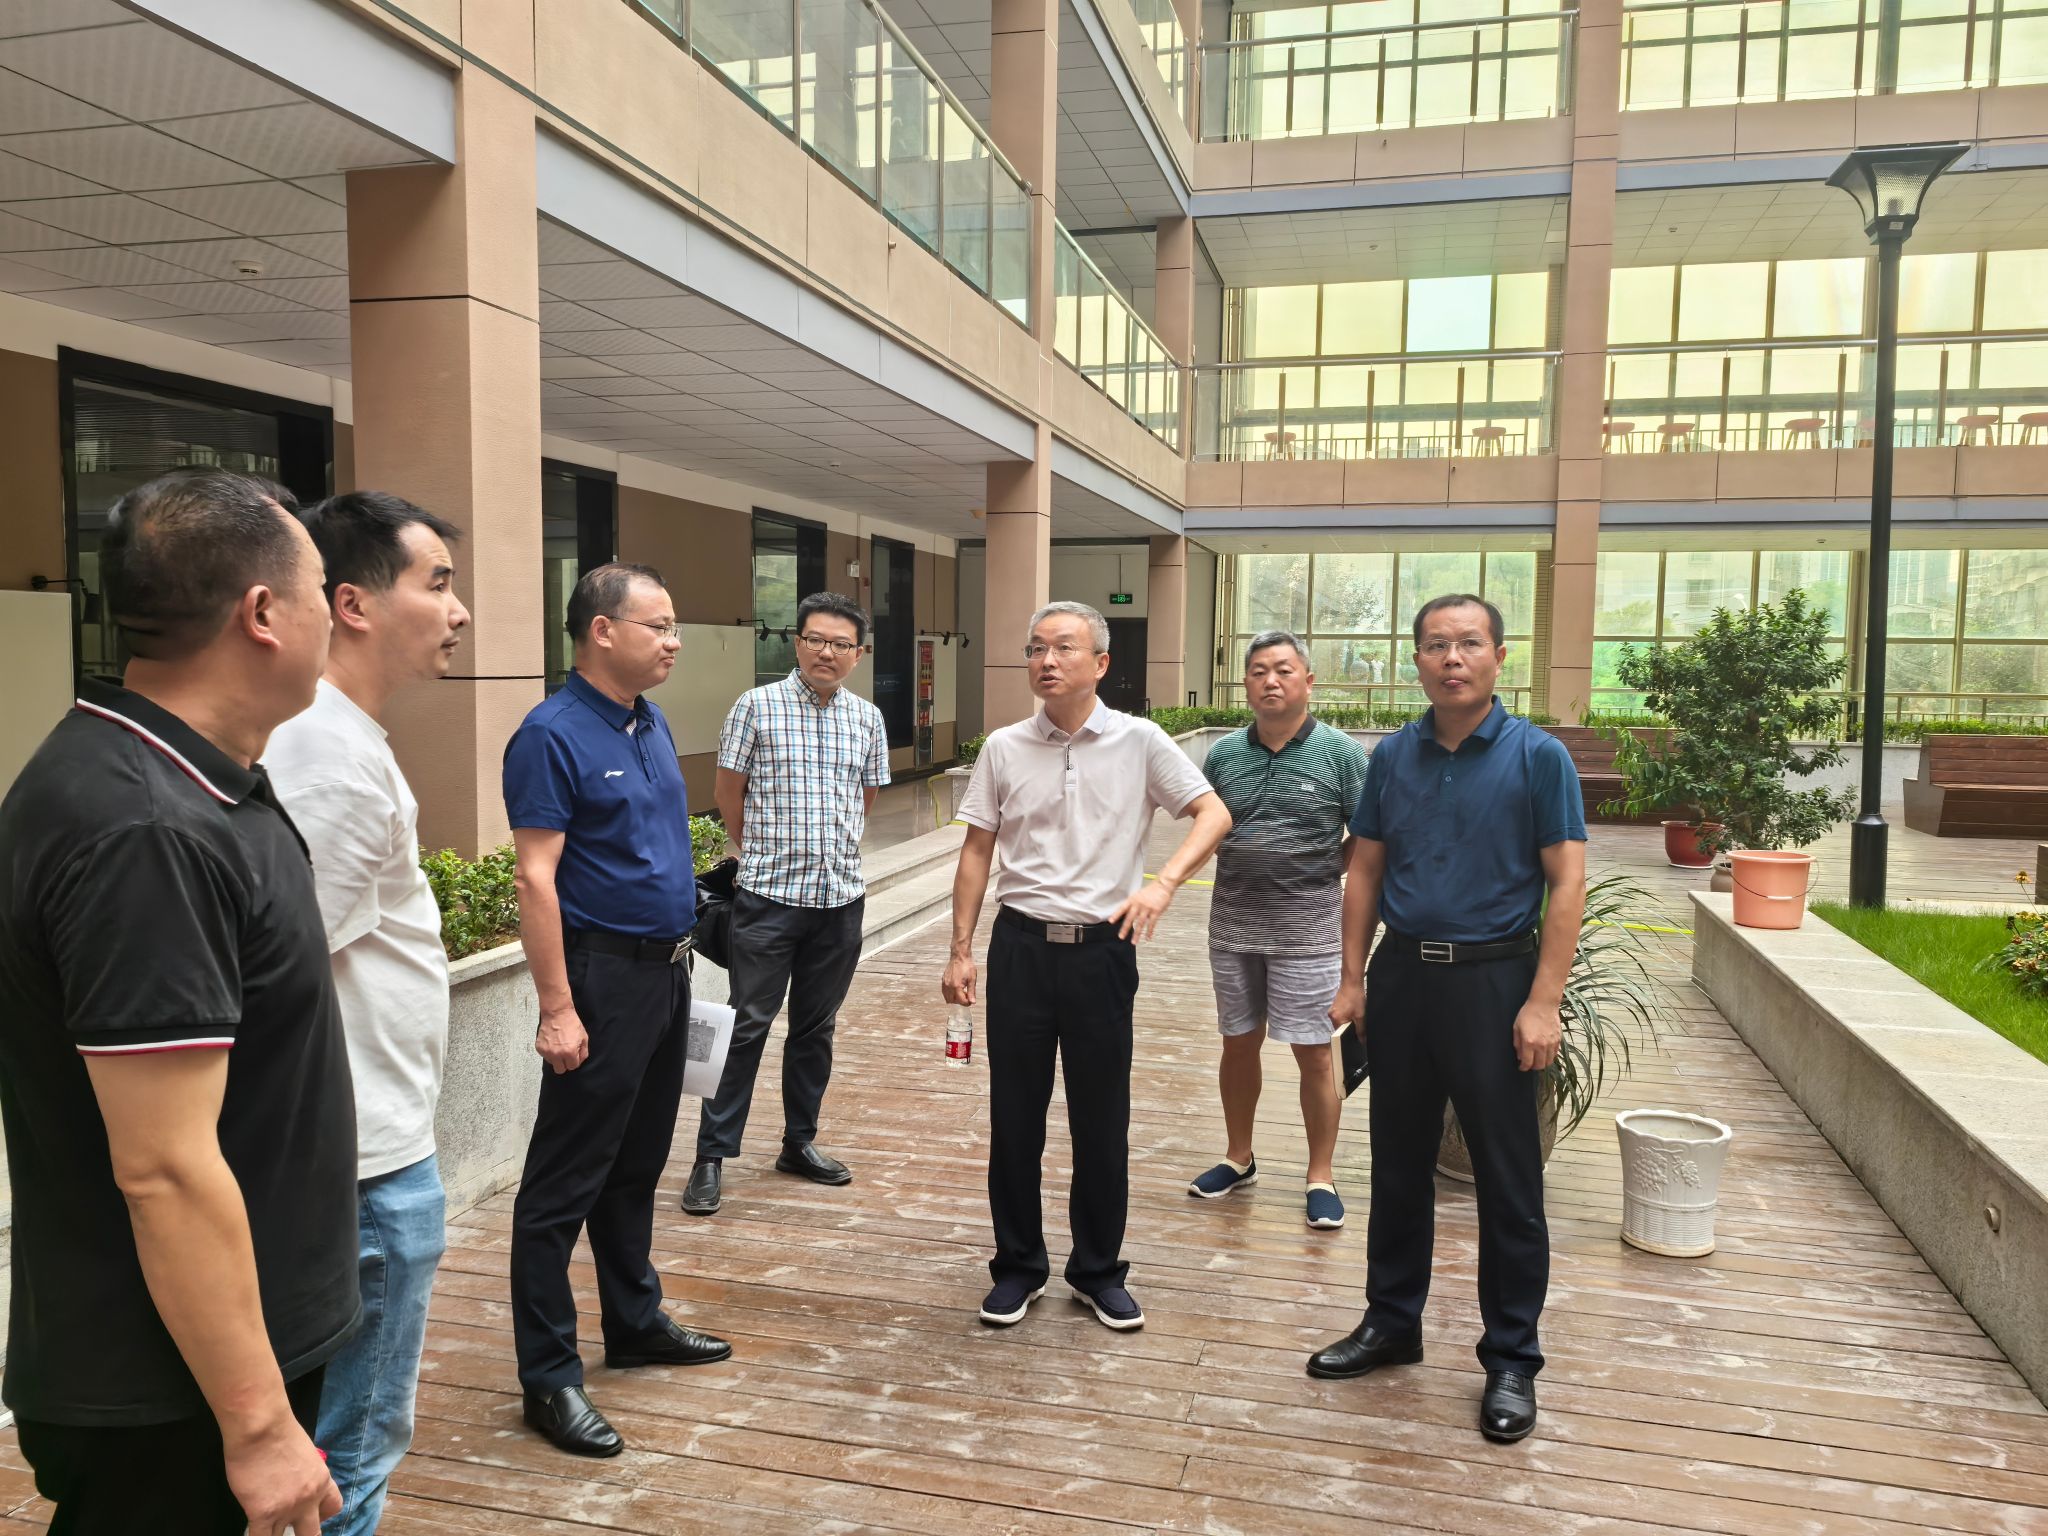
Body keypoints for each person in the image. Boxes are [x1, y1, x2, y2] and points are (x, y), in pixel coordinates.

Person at [0, 468, 358, 1535]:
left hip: (222, 1358)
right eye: (322, 589)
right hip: (171, 1396)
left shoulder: (197, 781)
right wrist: (256, 1425)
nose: (337, 616)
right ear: (263, 613)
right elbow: (162, 1167)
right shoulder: (144, 830)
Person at [1308, 593, 1587, 1445]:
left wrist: (1543, 1001)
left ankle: (1511, 1357)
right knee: (1397, 1164)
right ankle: (1392, 1322)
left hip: (1494, 983)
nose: (1452, 658)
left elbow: (1566, 882)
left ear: (1501, 656)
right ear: (1417, 660)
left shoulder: (1538, 757)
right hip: (1402, 979)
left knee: (1509, 1180)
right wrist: (1353, 979)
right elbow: (1365, 870)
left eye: (1469, 643)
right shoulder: (1393, 756)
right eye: (1435, 645)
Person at [264, 491, 470, 1534]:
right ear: (352, 603)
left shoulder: (337, 739)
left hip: (369, 1149)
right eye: (437, 584)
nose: (459, 610)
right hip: (366, 1164)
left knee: (345, 1439)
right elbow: (281, 975)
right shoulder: (329, 756)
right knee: (353, 1449)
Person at [944, 601, 1231, 1333]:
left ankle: (1097, 1271)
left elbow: (1213, 814)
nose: (1046, 661)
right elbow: (977, 850)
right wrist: (960, 950)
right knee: (1015, 1118)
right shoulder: (1005, 746)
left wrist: (1163, 884)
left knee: (1102, 1120)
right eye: (1036, 648)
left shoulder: (1140, 741)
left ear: (1101, 663)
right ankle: (1018, 1267)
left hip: (1103, 952)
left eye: (1064, 648)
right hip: (1019, 949)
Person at [503, 562, 732, 1458]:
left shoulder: (649, 720)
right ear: (602, 630)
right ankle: (548, 1376)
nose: (674, 641)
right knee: (561, 1186)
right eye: (659, 625)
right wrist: (557, 1009)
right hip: (600, 982)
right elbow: (536, 880)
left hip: (667, 975)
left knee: (636, 1165)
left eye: (674, 627)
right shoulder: (550, 734)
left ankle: (633, 1324)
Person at [682, 590, 889, 1215]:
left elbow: (865, 799)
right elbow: (728, 791)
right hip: (768, 899)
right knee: (747, 1025)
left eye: (841, 644)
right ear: (797, 643)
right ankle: (711, 1155)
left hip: (840, 901)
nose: (827, 652)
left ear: (859, 654)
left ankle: (798, 1143)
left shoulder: (867, 719)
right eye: (816, 639)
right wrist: (761, 854)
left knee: (815, 1029)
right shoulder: (756, 707)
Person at [1186, 632, 1368, 1231]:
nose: (1271, 681)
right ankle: (1238, 1158)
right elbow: (1208, 822)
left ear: (1308, 682)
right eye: (1259, 670)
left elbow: (1371, 831)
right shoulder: (1223, 754)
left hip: (1308, 930)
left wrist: (1331, 866)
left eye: (1284, 670)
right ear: (1246, 683)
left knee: (1314, 1051)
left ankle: (1321, 1175)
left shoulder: (1341, 754)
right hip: (1233, 923)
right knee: (1238, 1041)